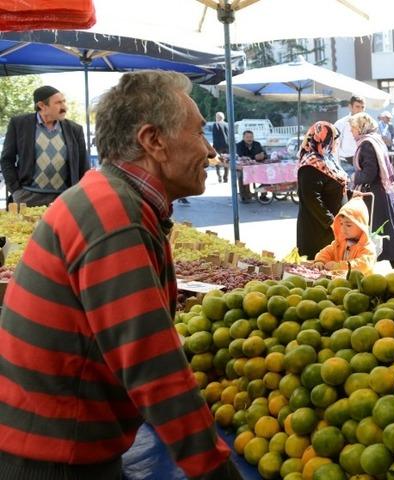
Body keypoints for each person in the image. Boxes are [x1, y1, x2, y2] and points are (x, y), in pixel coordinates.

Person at [0, 71, 239, 479]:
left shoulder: (110, 195)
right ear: (153, 141)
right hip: (54, 456)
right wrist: (216, 470)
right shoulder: (116, 216)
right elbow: (153, 365)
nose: (210, 150)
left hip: (57, 437)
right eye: (200, 134)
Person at [1, 85, 89, 207]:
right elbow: (6, 160)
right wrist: (16, 191)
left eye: (64, 102)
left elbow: (84, 166)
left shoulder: (75, 129)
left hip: (64, 199)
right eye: (58, 103)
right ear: (42, 106)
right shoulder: (19, 124)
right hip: (28, 197)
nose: (64, 107)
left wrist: (80, 195)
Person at [349, 112, 394, 268]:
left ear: (362, 128)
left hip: (375, 197)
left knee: (381, 235)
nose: (351, 131)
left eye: (353, 127)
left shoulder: (367, 144)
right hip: (383, 193)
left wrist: (354, 177)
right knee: (390, 233)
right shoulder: (375, 140)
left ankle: (393, 269)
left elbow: (369, 173)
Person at [296, 121, 349, 257]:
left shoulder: (326, 158)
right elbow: (311, 198)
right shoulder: (310, 164)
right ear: (322, 139)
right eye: (334, 140)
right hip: (318, 229)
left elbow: (334, 185)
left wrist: (351, 193)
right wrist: (331, 222)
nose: (336, 143)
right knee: (319, 268)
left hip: (331, 226)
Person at [314, 196, 376, 275]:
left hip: (361, 284)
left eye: (348, 225)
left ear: (361, 226)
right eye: (341, 224)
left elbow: (363, 265)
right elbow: (327, 252)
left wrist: (339, 266)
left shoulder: (367, 248)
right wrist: (320, 260)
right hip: (342, 283)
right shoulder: (339, 243)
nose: (343, 229)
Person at [334, 95, 367, 169]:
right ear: (350, 107)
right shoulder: (341, 123)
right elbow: (334, 145)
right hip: (346, 163)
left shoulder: (368, 123)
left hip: (363, 162)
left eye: (362, 107)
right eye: (357, 107)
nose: (360, 110)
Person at [236, 129, 267, 202]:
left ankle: (263, 195)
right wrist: (253, 157)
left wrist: (262, 156)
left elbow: (264, 154)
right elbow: (240, 155)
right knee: (242, 176)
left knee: (267, 173)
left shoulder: (257, 144)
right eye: (247, 137)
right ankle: (245, 196)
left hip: (258, 166)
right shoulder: (239, 145)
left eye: (251, 137)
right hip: (245, 167)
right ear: (243, 138)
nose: (249, 139)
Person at [211, 111, 230, 183]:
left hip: (218, 147)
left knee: (217, 162)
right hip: (227, 146)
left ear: (217, 117)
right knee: (226, 161)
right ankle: (226, 177)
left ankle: (219, 176)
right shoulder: (227, 124)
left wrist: (213, 147)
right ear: (223, 117)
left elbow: (214, 137)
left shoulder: (216, 125)